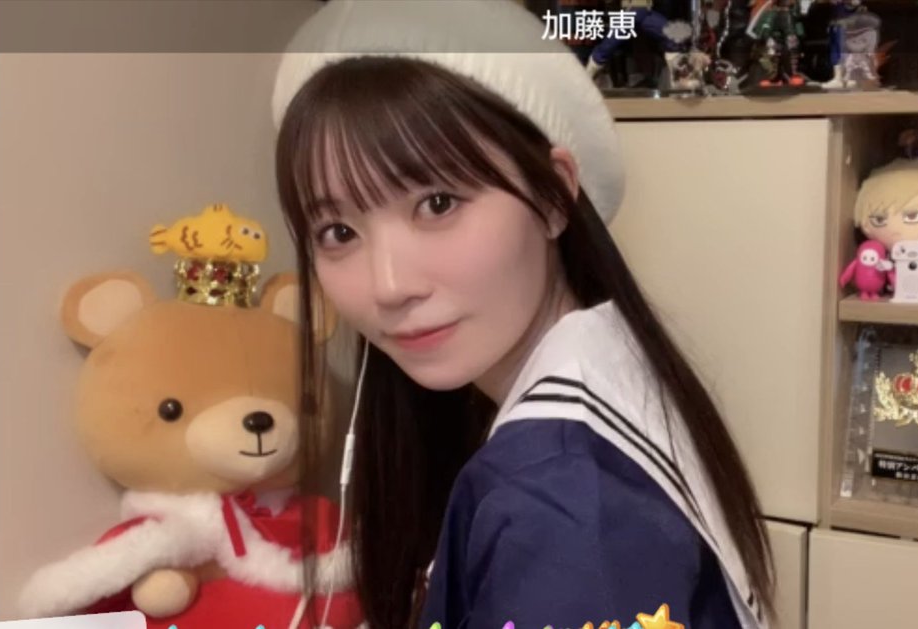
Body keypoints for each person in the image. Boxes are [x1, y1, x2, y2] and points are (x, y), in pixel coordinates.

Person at [269, 2, 773, 628]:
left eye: (438, 203)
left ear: (554, 194)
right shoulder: (610, 375)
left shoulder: (562, 501)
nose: (389, 286)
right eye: (338, 231)